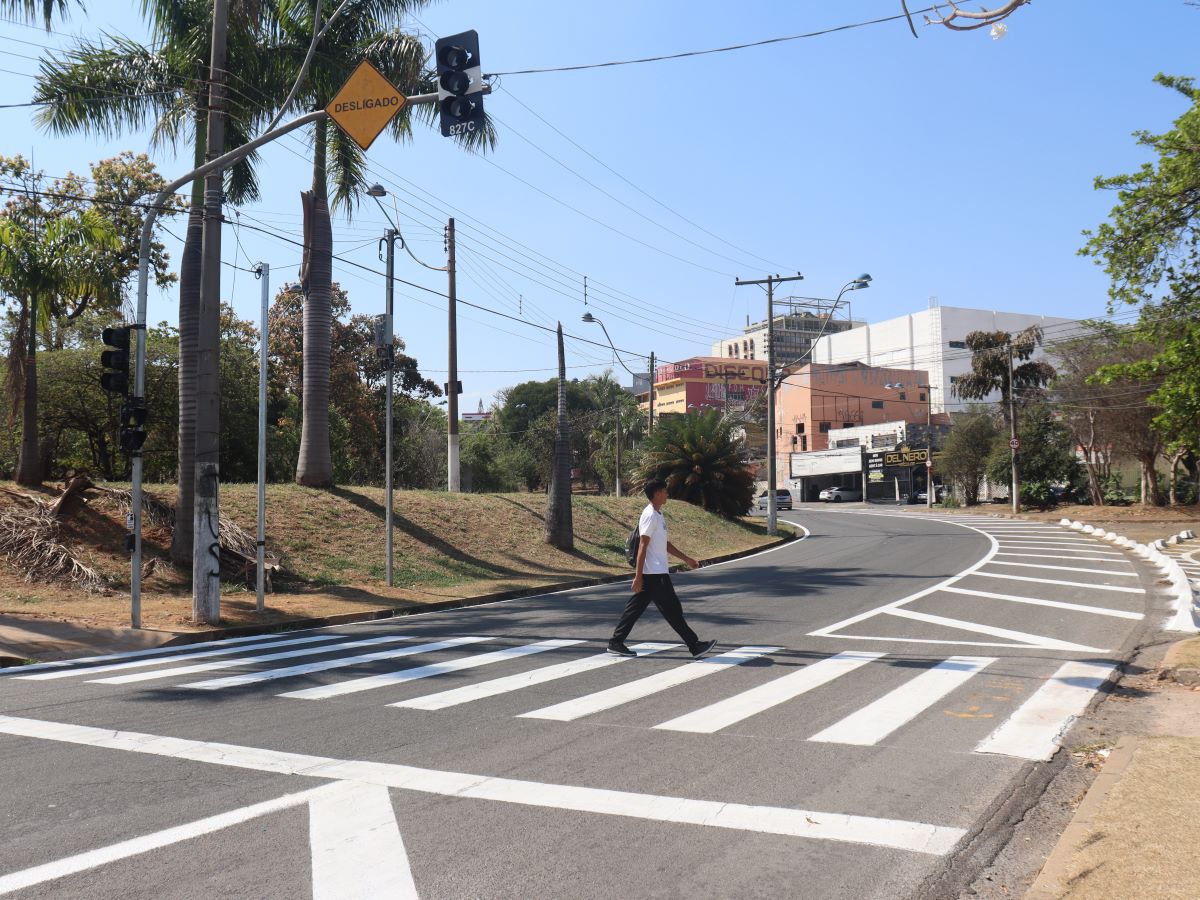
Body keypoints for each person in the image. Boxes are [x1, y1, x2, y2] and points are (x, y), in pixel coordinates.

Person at [608, 479, 718, 659]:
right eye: (664, 491)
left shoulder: (658, 515)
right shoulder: (650, 515)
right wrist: (638, 576)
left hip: (655, 572)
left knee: (636, 609)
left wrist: (687, 559)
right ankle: (695, 646)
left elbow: (664, 544)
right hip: (654, 573)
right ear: (657, 493)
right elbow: (642, 546)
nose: (667, 493)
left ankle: (616, 642)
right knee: (672, 610)